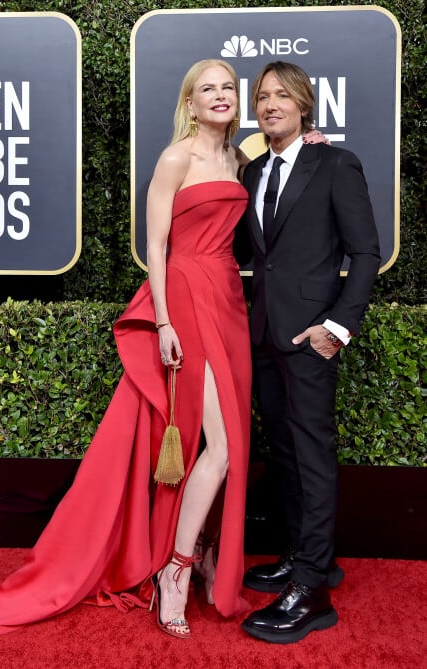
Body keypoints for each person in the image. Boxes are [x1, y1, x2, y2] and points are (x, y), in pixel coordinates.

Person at [0, 59, 253, 639]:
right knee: (220, 448)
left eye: (227, 88)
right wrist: (164, 322)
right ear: (189, 104)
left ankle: (205, 553)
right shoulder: (176, 158)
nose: (219, 96)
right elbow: (157, 248)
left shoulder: (239, 161)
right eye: (207, 89)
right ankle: (176, 571)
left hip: (231, 302)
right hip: (188, 299)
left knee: (222, 441)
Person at [238, 61, 380, 644]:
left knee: (313, 454)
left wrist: (336, 327)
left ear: (303, 104)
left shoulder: (334, 162)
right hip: (265, 333)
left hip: (310, 337)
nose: (271, 104)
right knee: (287, 453)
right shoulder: (253, 173)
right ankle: (303, 557)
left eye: (282, 95)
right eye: (263, 96)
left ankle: (314, 591)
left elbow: (366, 253)